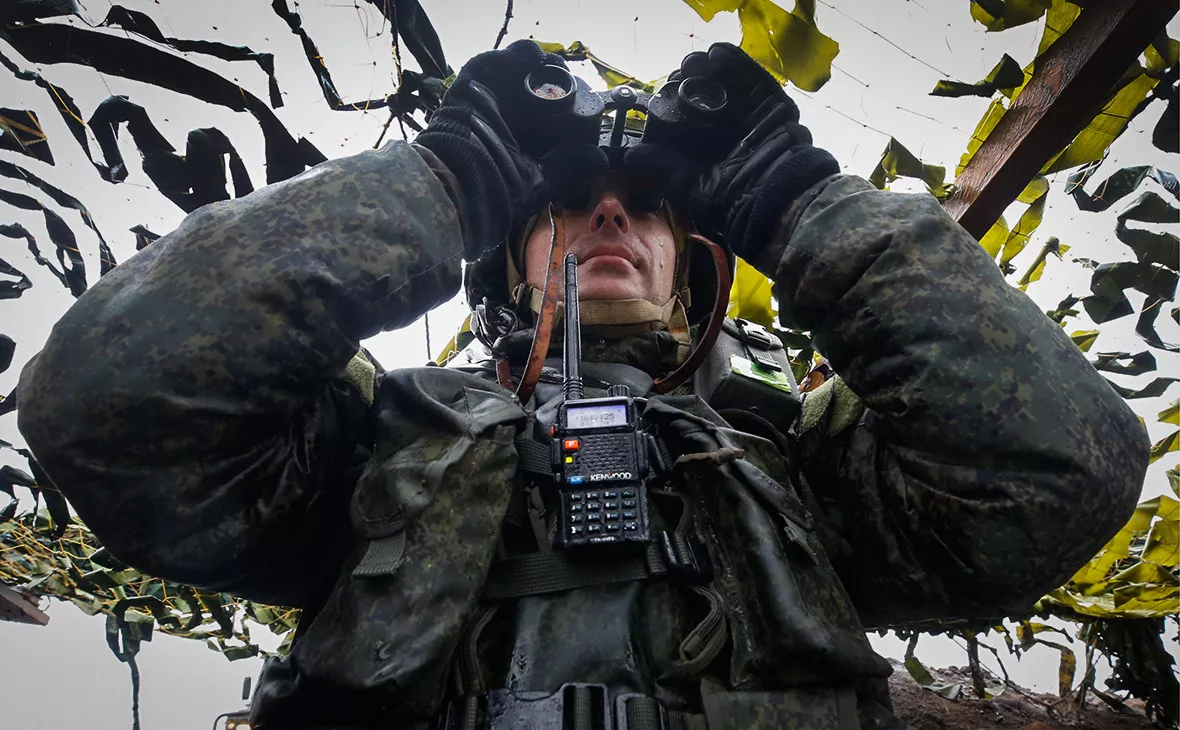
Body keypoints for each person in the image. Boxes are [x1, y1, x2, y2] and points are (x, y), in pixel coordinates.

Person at [15, 41, 1148, 730]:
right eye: (563, 200)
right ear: (510, 263)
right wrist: (451, 176)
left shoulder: (805, 460)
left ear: (693, 272)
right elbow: (112, 399)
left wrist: (793, 197)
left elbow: (1059, 468)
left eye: (648, 203)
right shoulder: (371, 434)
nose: (608, 211)